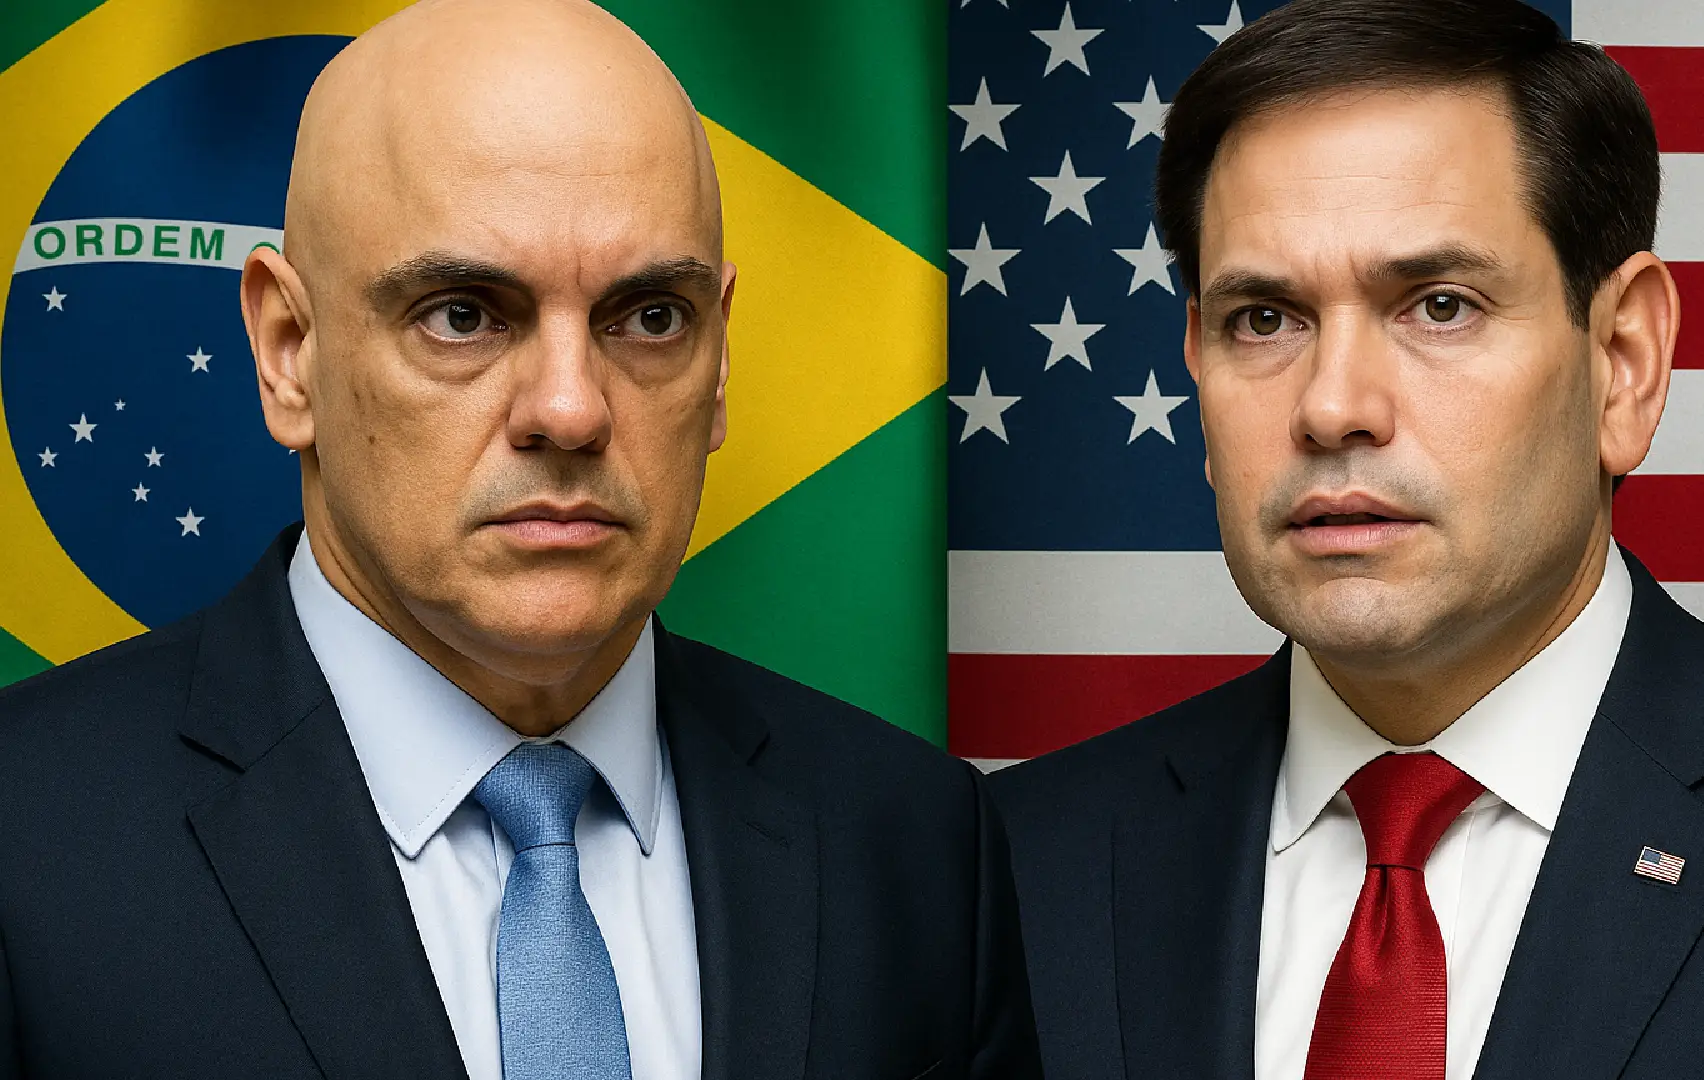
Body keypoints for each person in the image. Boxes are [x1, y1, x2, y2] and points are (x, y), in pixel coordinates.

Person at [0, 1, 1039, 1077]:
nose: (571, 409)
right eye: (462, 314)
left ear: (721, 359)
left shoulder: (914, 843)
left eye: (650, 317)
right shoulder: (25, 839)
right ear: (288, 350)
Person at [988, 1, 1704, 1078]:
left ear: (1623, 361)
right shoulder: (1009, 870)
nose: (1332, 407)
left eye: (1439, 306)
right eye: (1265, 319)